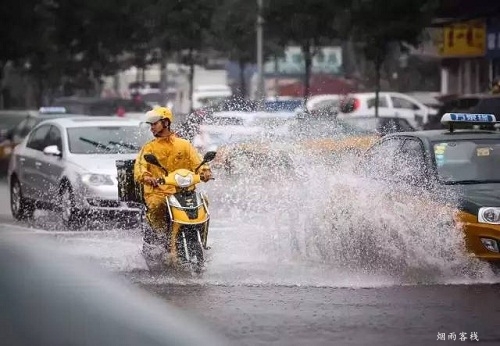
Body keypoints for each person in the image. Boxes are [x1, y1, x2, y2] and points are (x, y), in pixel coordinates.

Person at [133, 107, 212, 256]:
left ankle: (202, 238)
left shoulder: (184, 145)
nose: (152, 128)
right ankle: (161, 235)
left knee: (204, 202)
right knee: (156, 206)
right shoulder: (149, 148)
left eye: (154, 124)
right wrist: (147, 177)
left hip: (183, 192)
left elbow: (198, 162)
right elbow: (140, 167)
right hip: (158, 192)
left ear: (166, 123)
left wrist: (205, 171)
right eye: (150, 125)